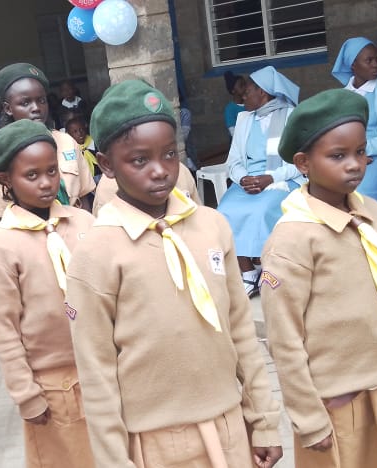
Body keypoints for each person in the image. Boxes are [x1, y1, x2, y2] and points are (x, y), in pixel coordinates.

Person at [67, 80, 283, 468]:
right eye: (139, 160)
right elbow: (96, 371)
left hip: (229, 425)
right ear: (106, 165)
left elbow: (240, 330)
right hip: (155, 441)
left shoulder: (212, 226)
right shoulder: (96, 253)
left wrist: (263, 420)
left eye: (169, 154)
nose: (160, 171)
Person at [261, 88, 377, 468]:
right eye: (338, 156)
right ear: (303, 163)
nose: (354, 164)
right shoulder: (292, 239)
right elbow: (284, 338)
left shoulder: (375, 216)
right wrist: (308, 417)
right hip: (334, 403)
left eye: (360, 152)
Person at [0, 119, 96, 467]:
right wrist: (26, 395)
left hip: (102, 373)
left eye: (52, 171)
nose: (46, 183)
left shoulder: (84, 223)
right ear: (6, 180)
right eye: (32, 175)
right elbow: (3, 328)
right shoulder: (1, 246)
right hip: (52, 388)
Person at [220, 65, 304, 297]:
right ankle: (248, 273)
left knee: (261, 211)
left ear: (263, 93)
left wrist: (270, 178)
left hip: (281, 179)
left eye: (247, 91)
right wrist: (243, 178)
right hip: (248, 182)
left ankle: (270, 270)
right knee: (225, 211)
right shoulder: (244, 119)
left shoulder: (290, 116)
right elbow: (234, 161)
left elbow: (300, 161)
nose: (243, 96)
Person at [0, 63, 96, 219]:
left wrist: (85, 228)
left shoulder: (67, 142)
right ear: (8, 108)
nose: (36, 108)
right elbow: (0, 213)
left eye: (41, 100)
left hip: (73, 227)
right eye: (25, 103)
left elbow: (83, 196)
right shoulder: (2, 152)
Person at [332, 37, 377, 200]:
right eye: (369, 60)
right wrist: (350, 154)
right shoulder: (341, 97)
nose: (376, 64)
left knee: (360, 194)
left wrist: (364, 150)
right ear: (353, 65)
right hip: (347, 156)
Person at [223, 71, 247, 136]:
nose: (245, 87)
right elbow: (233, 131)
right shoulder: (230, 109)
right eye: (241, 86)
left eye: (245, 84)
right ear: (233, 91)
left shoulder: (250, 103)